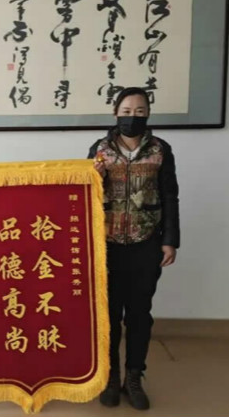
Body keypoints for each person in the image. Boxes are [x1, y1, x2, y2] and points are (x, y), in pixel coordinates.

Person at [88, 87, 180, 410]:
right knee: (110, 315)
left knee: (139, 315)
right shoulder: (100, 150)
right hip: (108, 245)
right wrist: (94, 177)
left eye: (139, 111)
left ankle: (134, 376)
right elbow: (84, 195)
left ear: (148, 114)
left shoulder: (160, 149)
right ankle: (111, 376)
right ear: (116, 113)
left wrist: (170, 240)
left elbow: (170, 196)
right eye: (126, 111)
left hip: (146, 243)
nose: (132, 117)